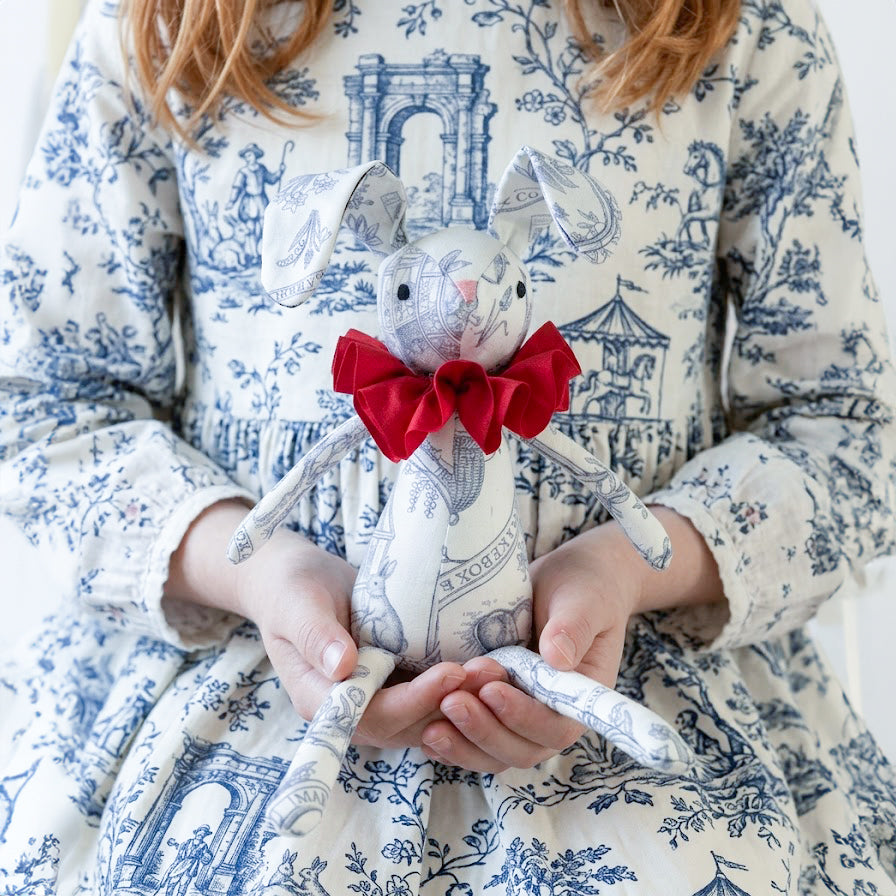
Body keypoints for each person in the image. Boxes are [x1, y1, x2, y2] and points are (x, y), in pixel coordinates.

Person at [0, 0, 894, 892]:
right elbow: (48, 405)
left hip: (634, 682)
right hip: (244, 679)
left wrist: (623, 568)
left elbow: (844, 429)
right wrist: (261, 572)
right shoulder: (157, 27)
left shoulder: (748, 29)